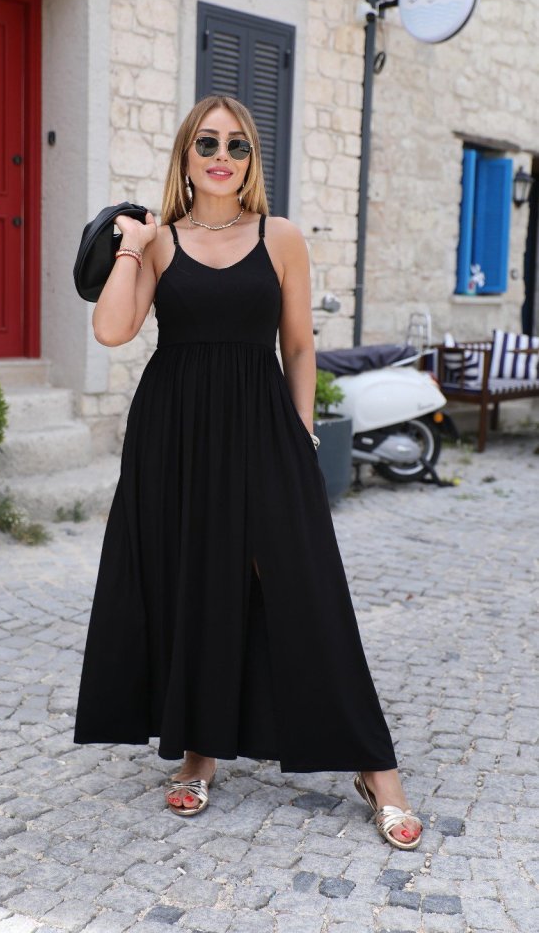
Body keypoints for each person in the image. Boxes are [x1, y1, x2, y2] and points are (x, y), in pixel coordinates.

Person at [73, 95, 423, 850]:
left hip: (263, 427)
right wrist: (132, 244)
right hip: (174, 434)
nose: (221, 156)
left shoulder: (281, 236)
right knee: (196, 582)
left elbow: (298, 346)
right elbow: (112, 328)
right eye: (207, 143)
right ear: (185, 156)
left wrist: (301, 435)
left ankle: (377, 769)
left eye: (236, 145)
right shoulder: (161, 241)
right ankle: (200, 751)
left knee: (307, 585)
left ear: (251, 160)